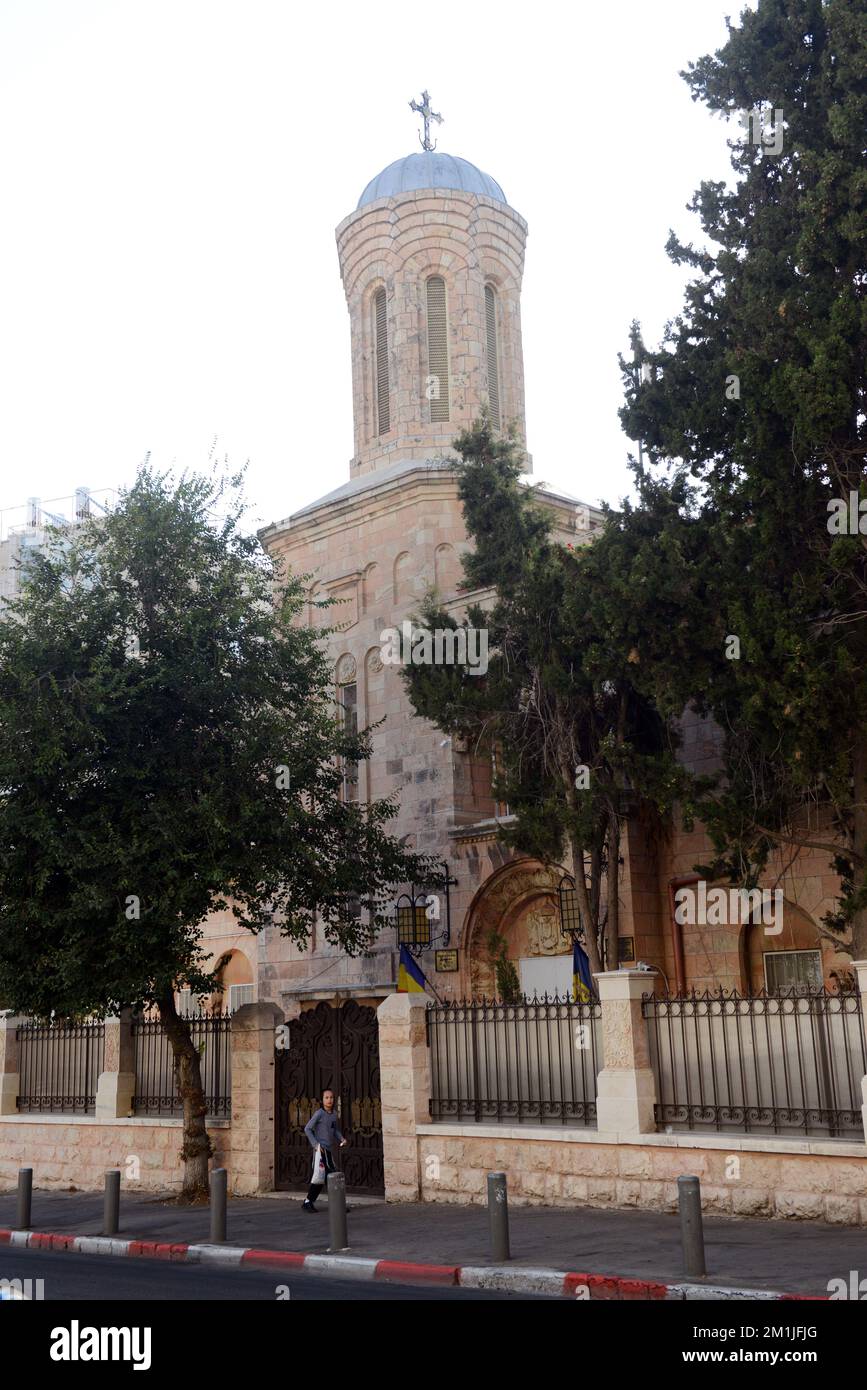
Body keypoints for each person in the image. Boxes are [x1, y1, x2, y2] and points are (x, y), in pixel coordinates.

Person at [302, 1088, 347, 1211]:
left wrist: (342, 1138)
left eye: (331, 1097)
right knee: (326, 1176)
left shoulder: (333, 1114)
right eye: (326, 1098)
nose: (329, 1100)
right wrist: (316, 1145)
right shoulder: (319, 1114)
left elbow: (334, 1130)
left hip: (328, 1150)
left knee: (325, 1177)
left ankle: (309, 1202)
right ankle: (335, 1205)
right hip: (320, 1151)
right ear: (322, 1100)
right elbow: (307, 1129)